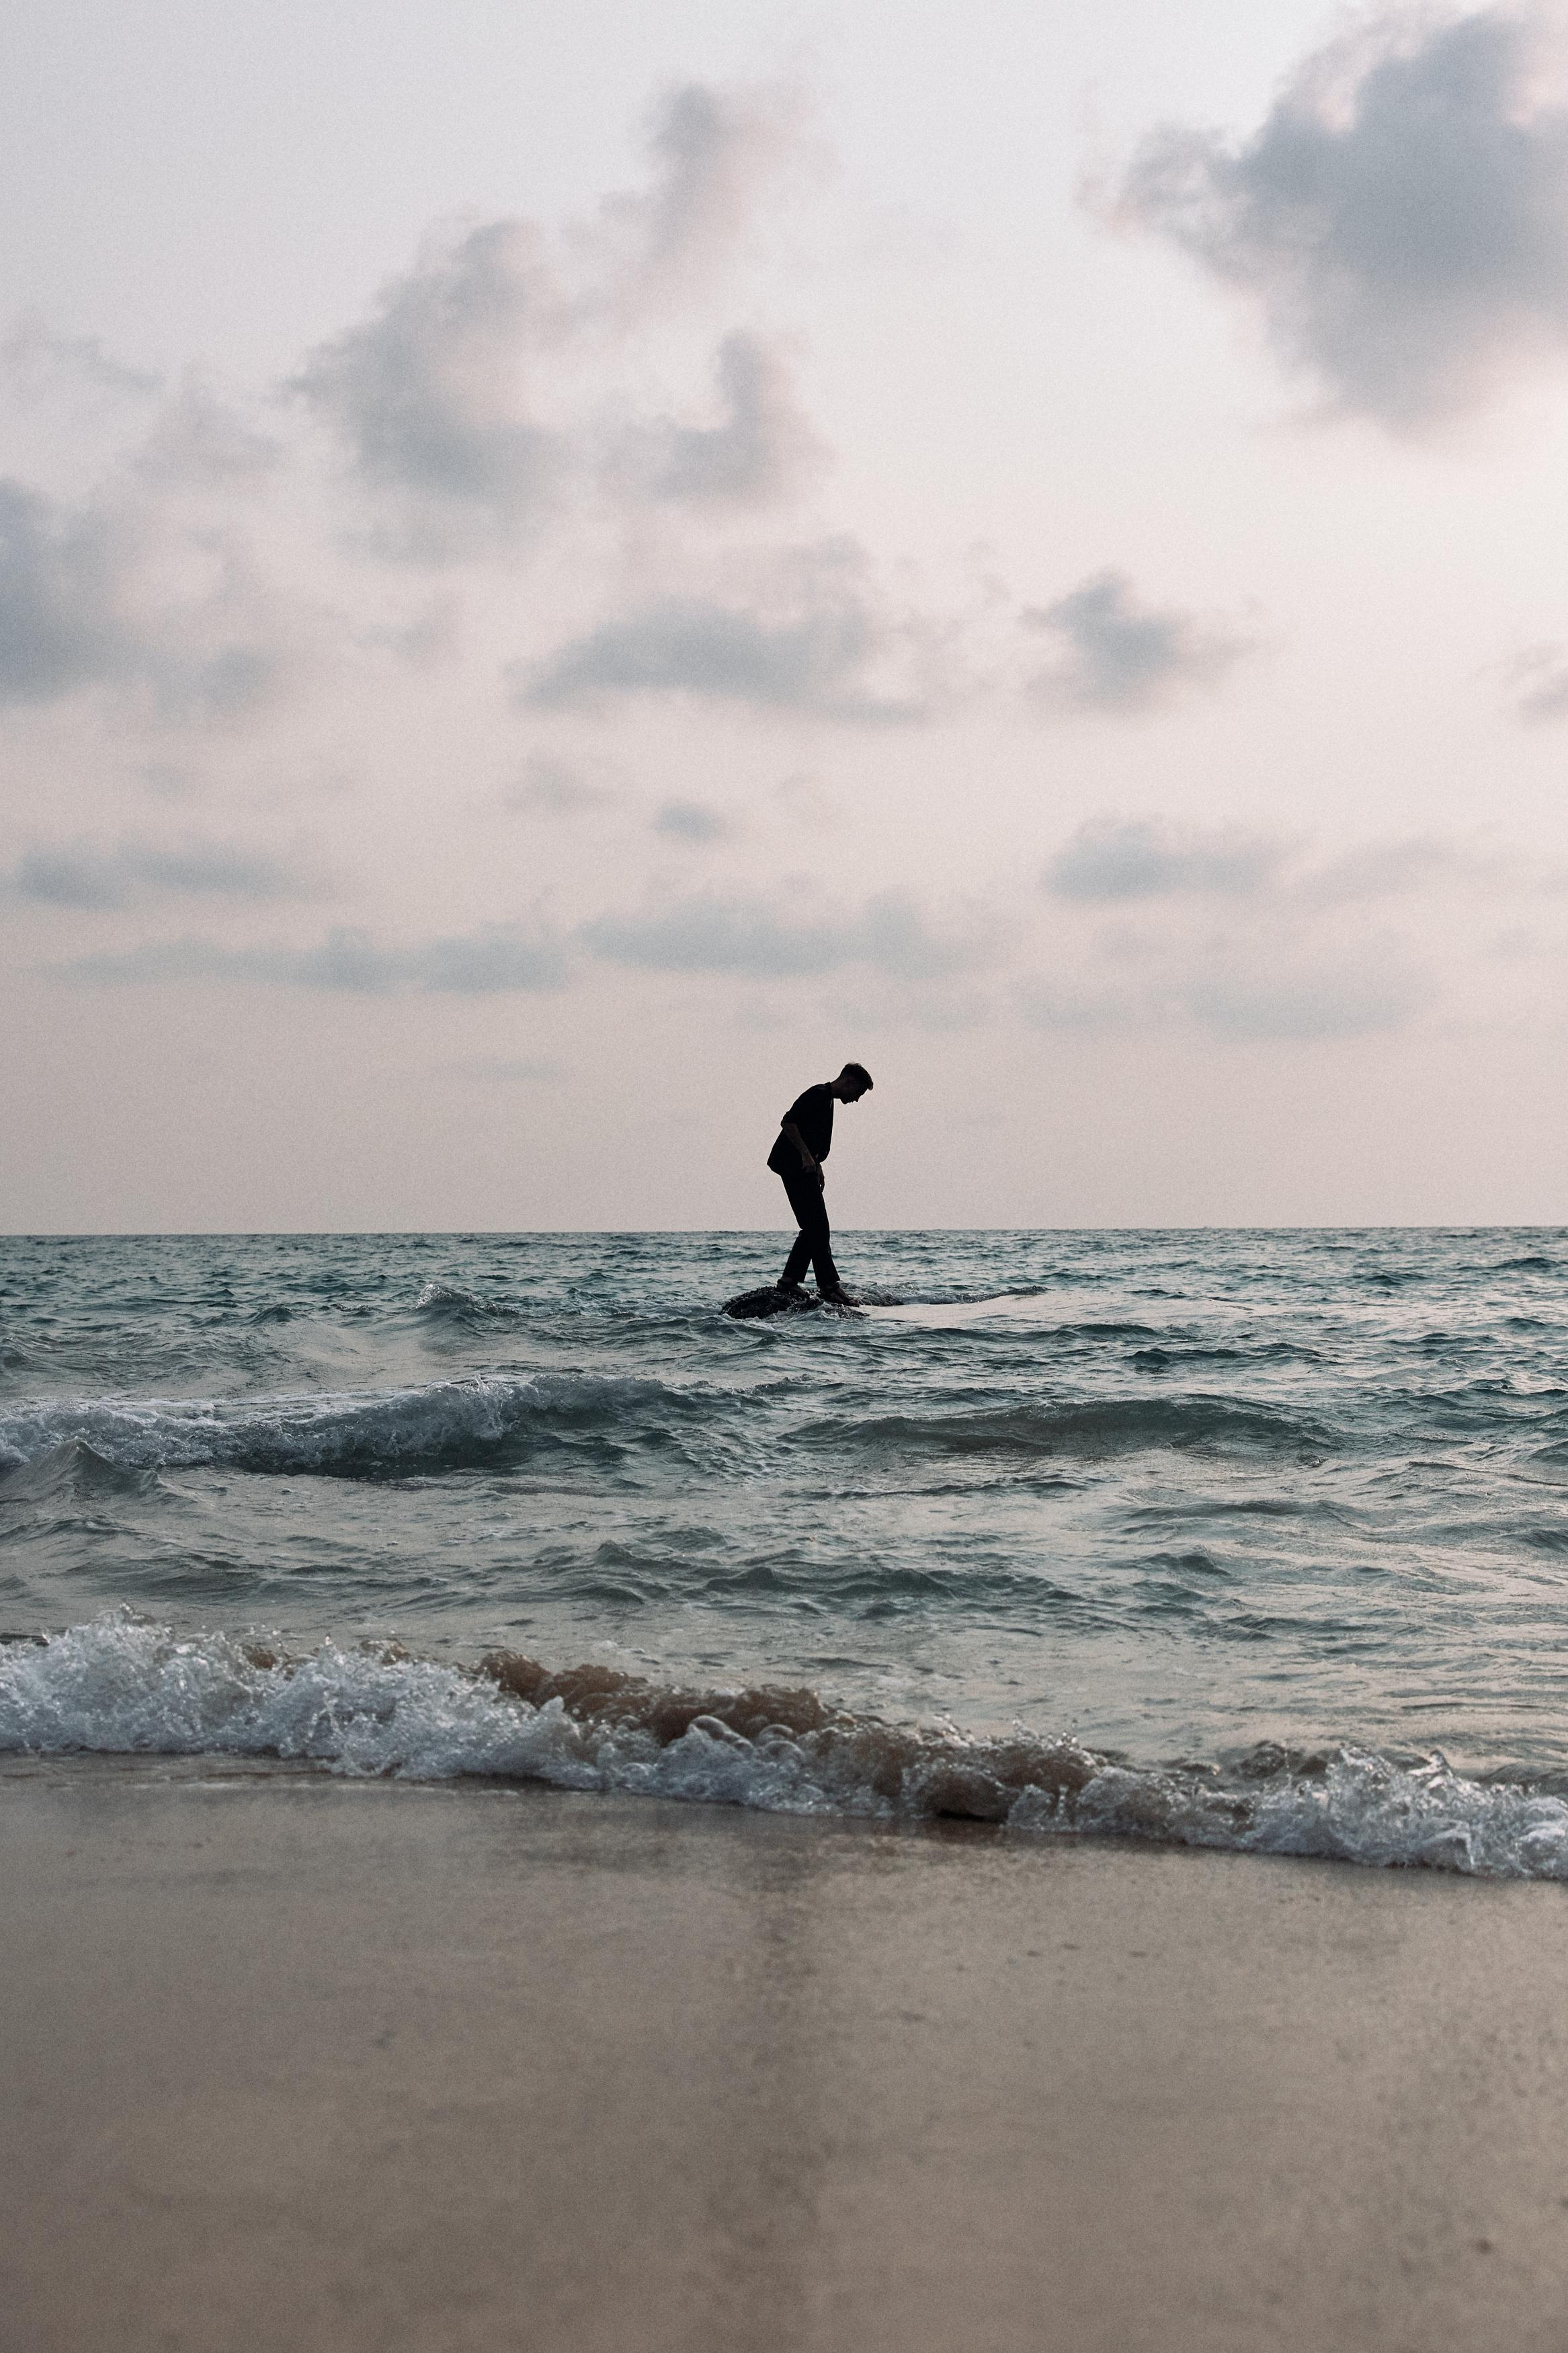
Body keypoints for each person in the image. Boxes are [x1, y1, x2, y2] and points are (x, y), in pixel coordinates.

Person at [766, 1063, 873, 1304]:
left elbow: (810, 1135)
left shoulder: (828, 1100)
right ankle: (828, 1286)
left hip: (805, 1167)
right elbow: (789, 1122)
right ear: (849, 1082)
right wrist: (805, 1155)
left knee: (812, 1229)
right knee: (819, 1228)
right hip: (794, 1166)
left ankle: (789, 1282)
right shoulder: (818, 1094)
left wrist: (817, 1164)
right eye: (858, 1093)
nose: (856, 1100)